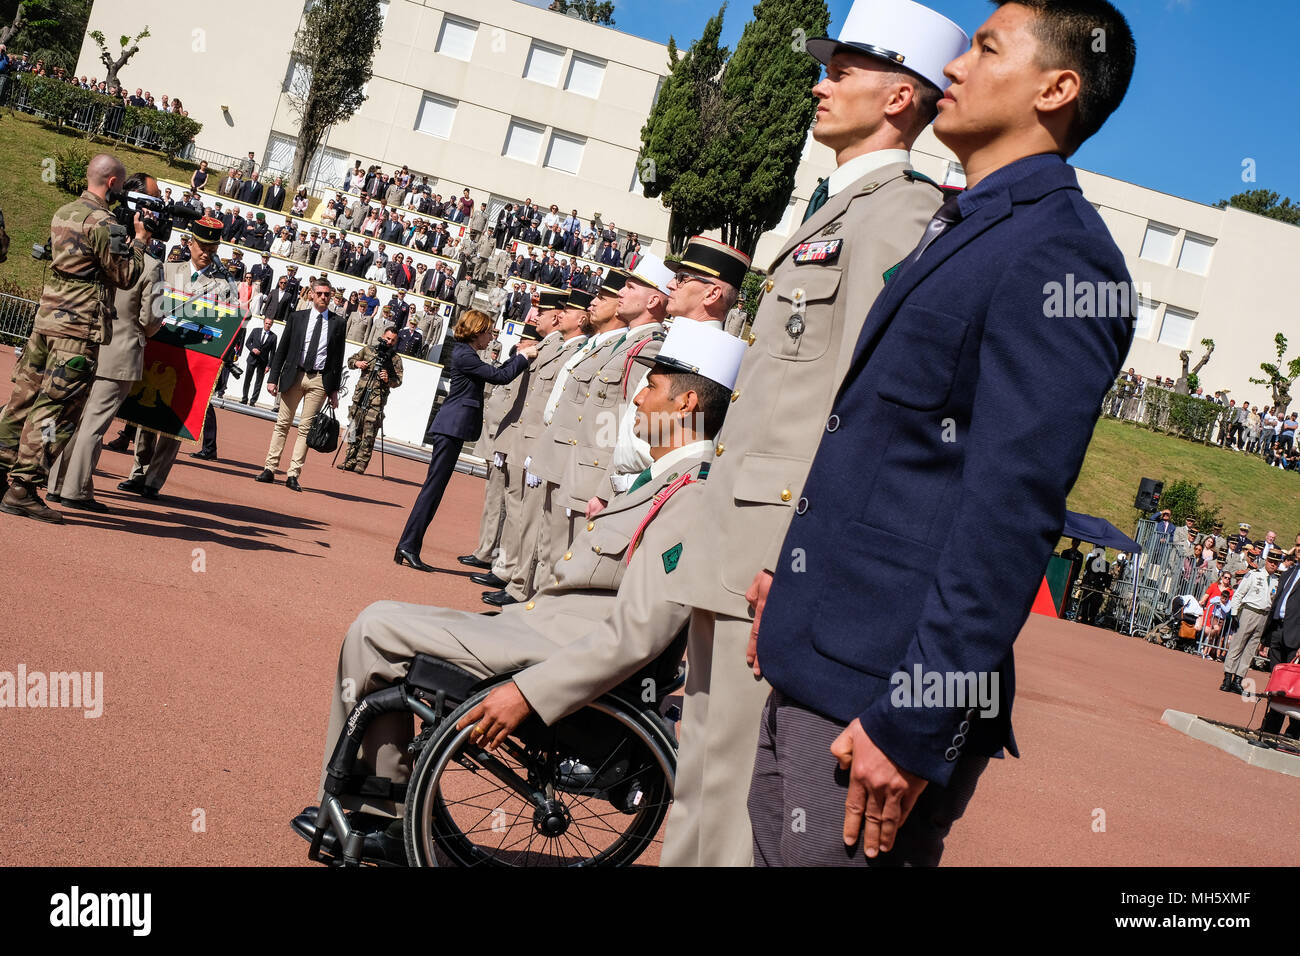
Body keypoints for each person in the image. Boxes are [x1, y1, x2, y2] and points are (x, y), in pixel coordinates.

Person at [750, 0, 1137, 866]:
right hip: (817, 655)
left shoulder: (1063, 256)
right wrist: (796, 577)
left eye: (986, 49)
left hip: (880, 696)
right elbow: (885, 448)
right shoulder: (967, 222)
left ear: (1058, 87)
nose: (952, 70)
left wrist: (919, 717)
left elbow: (1011, 509)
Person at [294, 321, 744, 861]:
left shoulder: (690, 496)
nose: (639, 400)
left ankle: (384, 820)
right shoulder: (663, 482)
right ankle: (376, 808)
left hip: (555, 650)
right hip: (540, 627)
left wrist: (532, 691)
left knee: (376, 627)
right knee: (379, 618)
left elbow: (640, 635)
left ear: (686, 402)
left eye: (650, 388)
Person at [0, 153, 147, 521]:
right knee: (57, 408)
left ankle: (2, 469)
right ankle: (24, 486)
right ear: (112, 183)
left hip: (46, 320)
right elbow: (126, 275)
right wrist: (141, 242)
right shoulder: (104, 223)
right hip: (77, 329)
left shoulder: (63, 211)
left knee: (22, 397)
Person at [45, 172, 165, 512]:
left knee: (74, 418)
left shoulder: (101, 247)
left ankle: (55, 482)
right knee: (94, 425)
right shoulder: (151, 265)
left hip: (86, 341)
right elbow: (149, 321)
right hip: (122, 353)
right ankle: (76, 489)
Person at [394, 310, 536, 571]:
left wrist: (516, 358)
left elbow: (495, 372)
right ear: (476, 331)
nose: (490, 337)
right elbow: (500, 377)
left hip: (453, 426)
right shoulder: (464, 354)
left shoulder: (467, 353)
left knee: (434, 490)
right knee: (432, 491)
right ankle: (408, 544)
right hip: (452, 427)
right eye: (488, 332)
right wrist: (524, 357)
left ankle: (408, 544)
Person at [118, 217, 240, 496]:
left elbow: (227, 327)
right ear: (191, 243)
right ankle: (137, 472)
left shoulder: (225, 286)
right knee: (147, 412)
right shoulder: (168, 270)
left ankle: (153, 481)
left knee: (174, 421)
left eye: (212, 246)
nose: (206, 252)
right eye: (201, 245)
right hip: (160, 351)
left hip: (195, 361)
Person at [254, 277, 346, 492]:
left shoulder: (338, 323)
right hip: (294, 376)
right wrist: (272, 378)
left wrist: (333, 390)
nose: (324, 297)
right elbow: (282, 349)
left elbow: (337, 359)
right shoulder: (297, 317)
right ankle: (270, 468)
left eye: (327, 294)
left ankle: (293, 474)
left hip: (319, 380)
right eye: (320, 293)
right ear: (312, 294)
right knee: (282, 423)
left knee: (305, 428)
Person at [339, 326, 403, 474]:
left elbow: (398, 381)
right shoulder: (368, 350)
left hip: (376, 400)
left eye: (393, 340)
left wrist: (388, 379)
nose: (389, 342)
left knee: (369, 432)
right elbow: (351, 360)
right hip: (360, 397)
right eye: (388, 338)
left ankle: (361, 463)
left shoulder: (395, 360)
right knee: (353, 429)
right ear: (382, 336)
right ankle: (349, 459)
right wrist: (357, 364)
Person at [1222, 550, 1278, 694]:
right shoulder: (1254, 575)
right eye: (1271, 561)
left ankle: (1238, 680)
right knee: (1237, 645)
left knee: (1250, 650)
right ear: (1266, 561)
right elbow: (1239, 594)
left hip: (1264, 615)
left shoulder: (1276, 581)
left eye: (1276, 563)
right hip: (1249, 611)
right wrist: (1234, 613)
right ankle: (1227, 677)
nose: (1273, 564)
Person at [1259, 552, 1300, 737]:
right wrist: (1266, 635)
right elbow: (1277, 602)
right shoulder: (1289, 571)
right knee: (1276, 684)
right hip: (1278, 631)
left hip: (1296, 636)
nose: (1299, 549)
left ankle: (1294, 730)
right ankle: (1271, 727)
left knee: (1295, 686)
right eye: (1298, 545)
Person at [241, 315, 278, 404]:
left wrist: (269, 365)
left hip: (263, 362)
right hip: (252, 359)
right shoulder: (255, 331)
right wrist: (252, 349)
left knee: (259, 382)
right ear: (263, 323)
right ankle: (244, 398)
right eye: (266, 323)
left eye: (269, 324)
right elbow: (247, 343)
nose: (268, 325)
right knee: (247, 380)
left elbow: (272, 353)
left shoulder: (273, 337)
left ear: (272, 325)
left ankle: (253, 401)